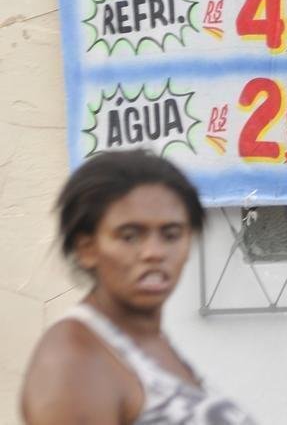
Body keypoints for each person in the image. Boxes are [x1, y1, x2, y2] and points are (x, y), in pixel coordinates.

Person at [20, 149, 256, 425]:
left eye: (171, 234)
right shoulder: (74, 360)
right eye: (130, 235)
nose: (154, 252)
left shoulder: (148, 341)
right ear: (87, 249)